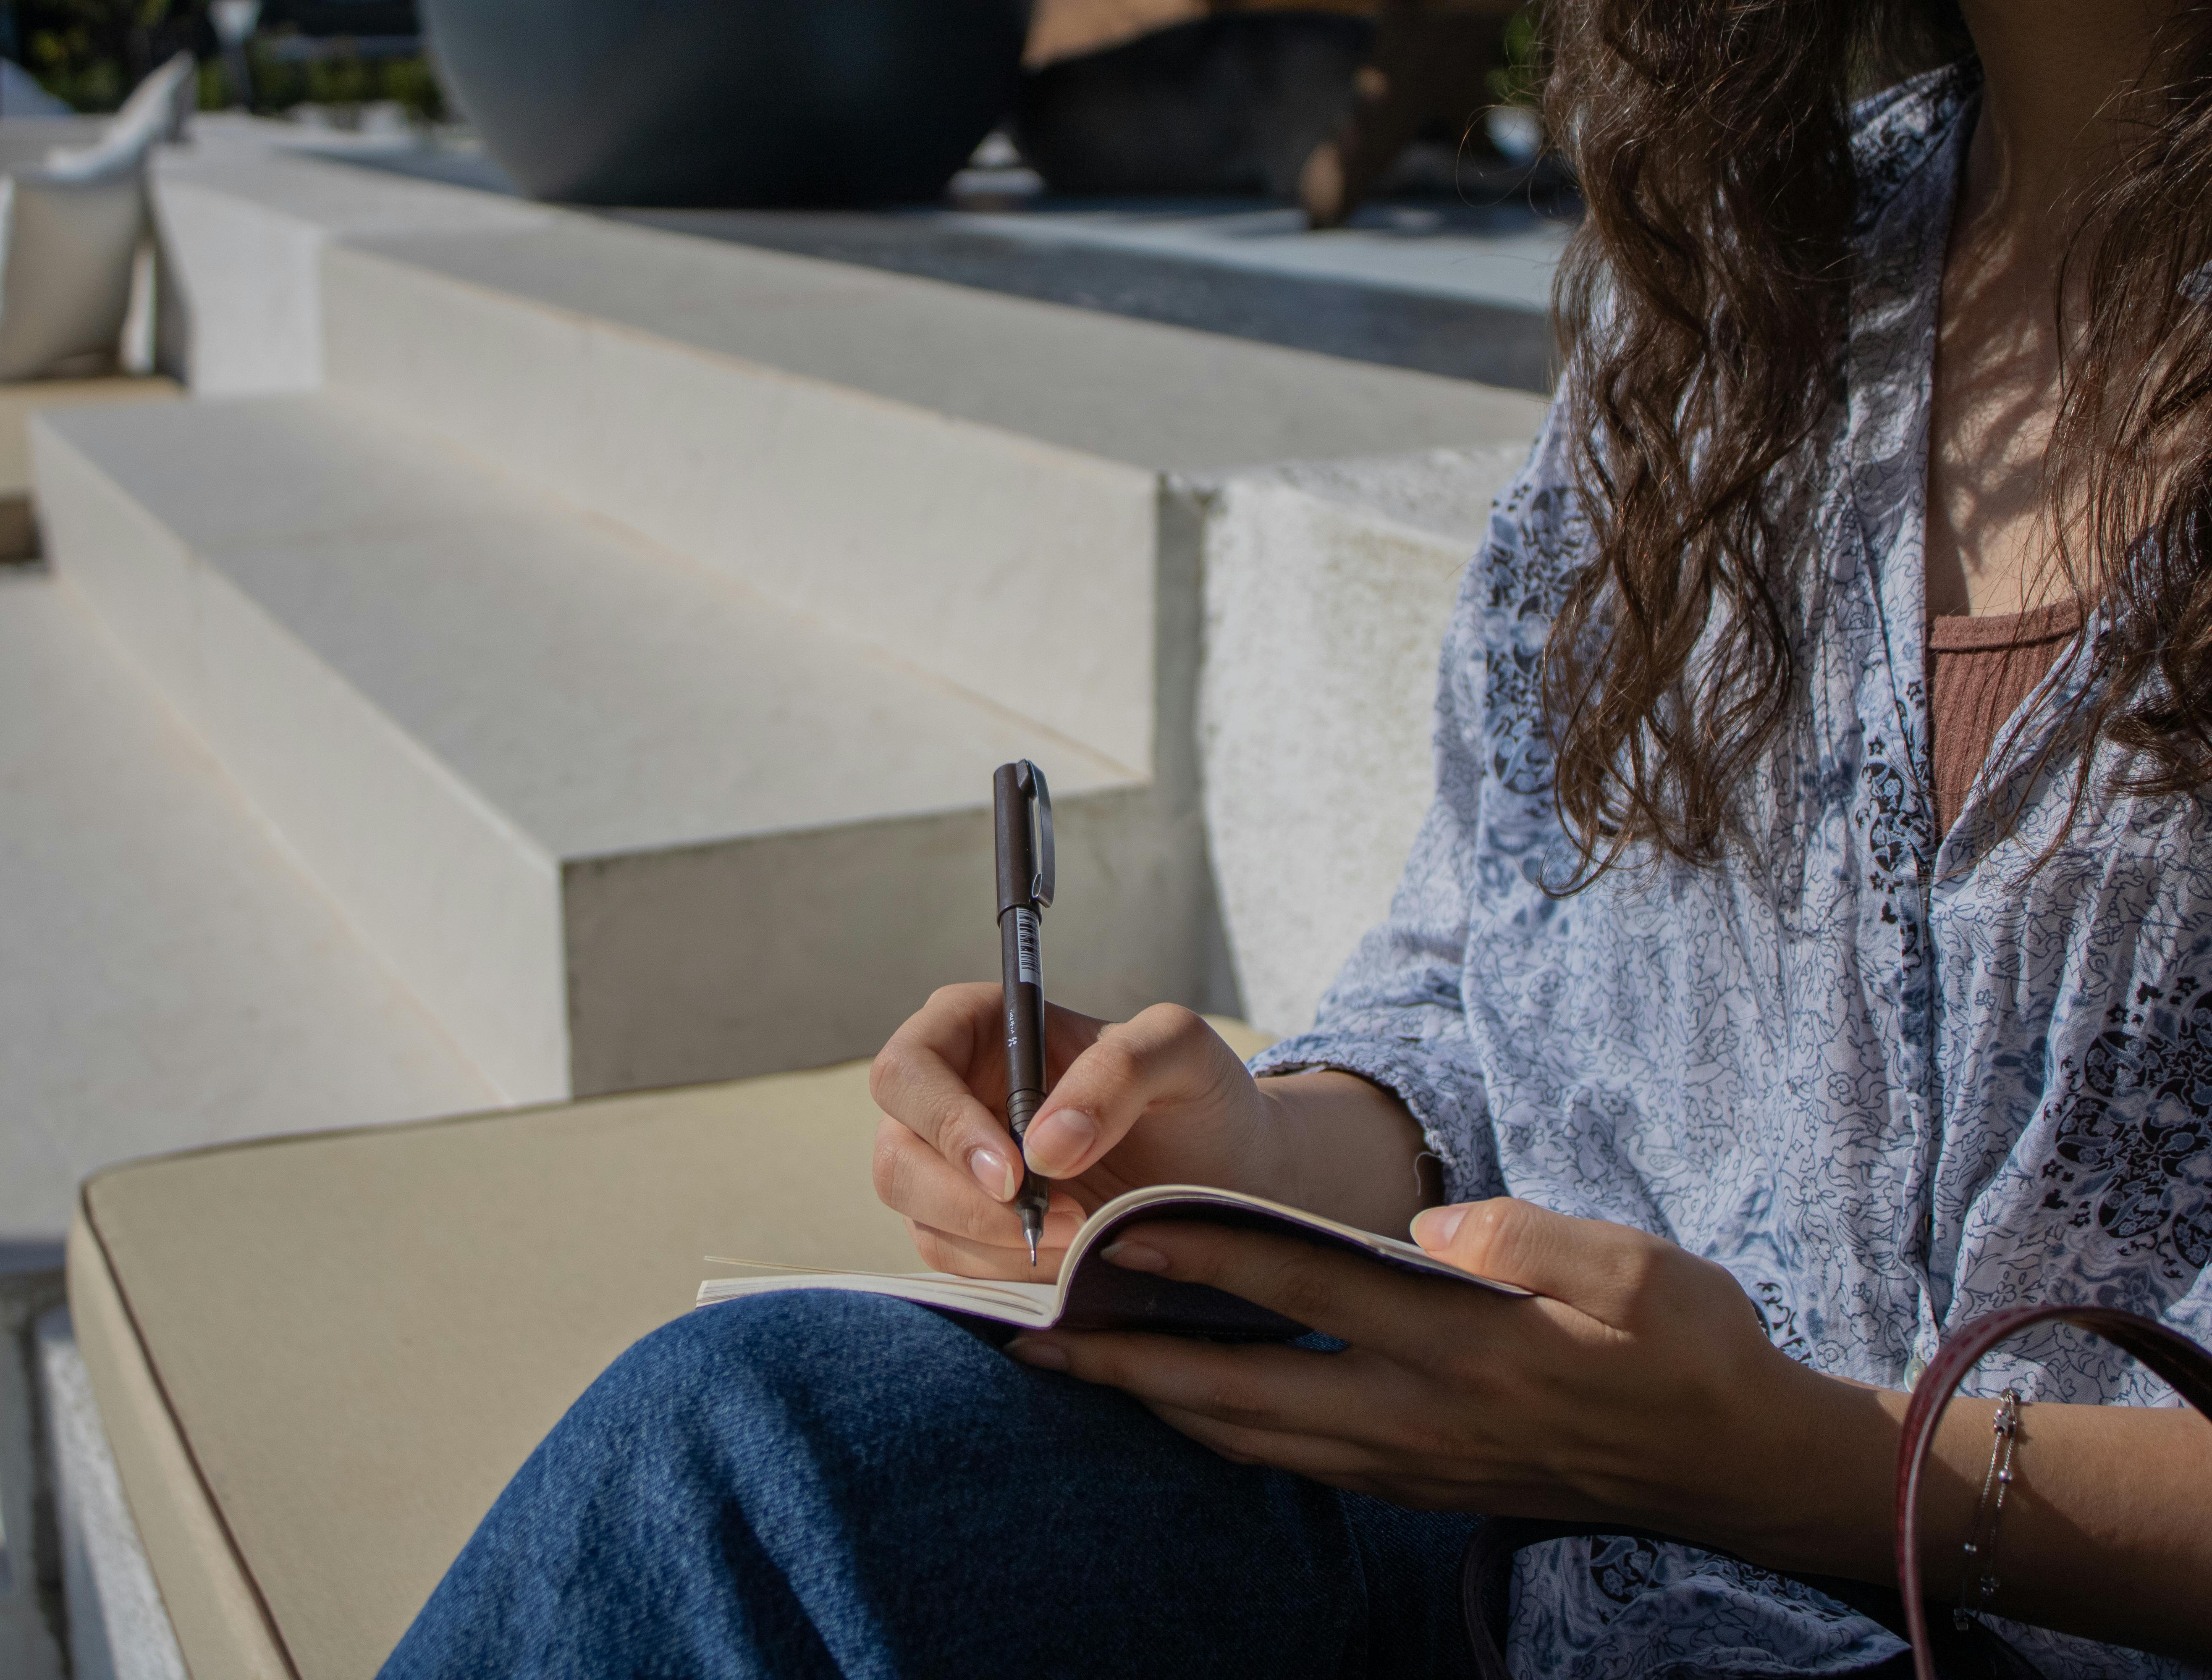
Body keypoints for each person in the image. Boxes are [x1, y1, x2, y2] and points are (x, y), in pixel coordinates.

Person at [380, 0, 2212, 1672]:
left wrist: (1820, 1473)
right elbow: (1493, 971)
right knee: (750, 1450)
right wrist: (1253, 1158)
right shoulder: (1757, 279)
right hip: (1546, 1555)